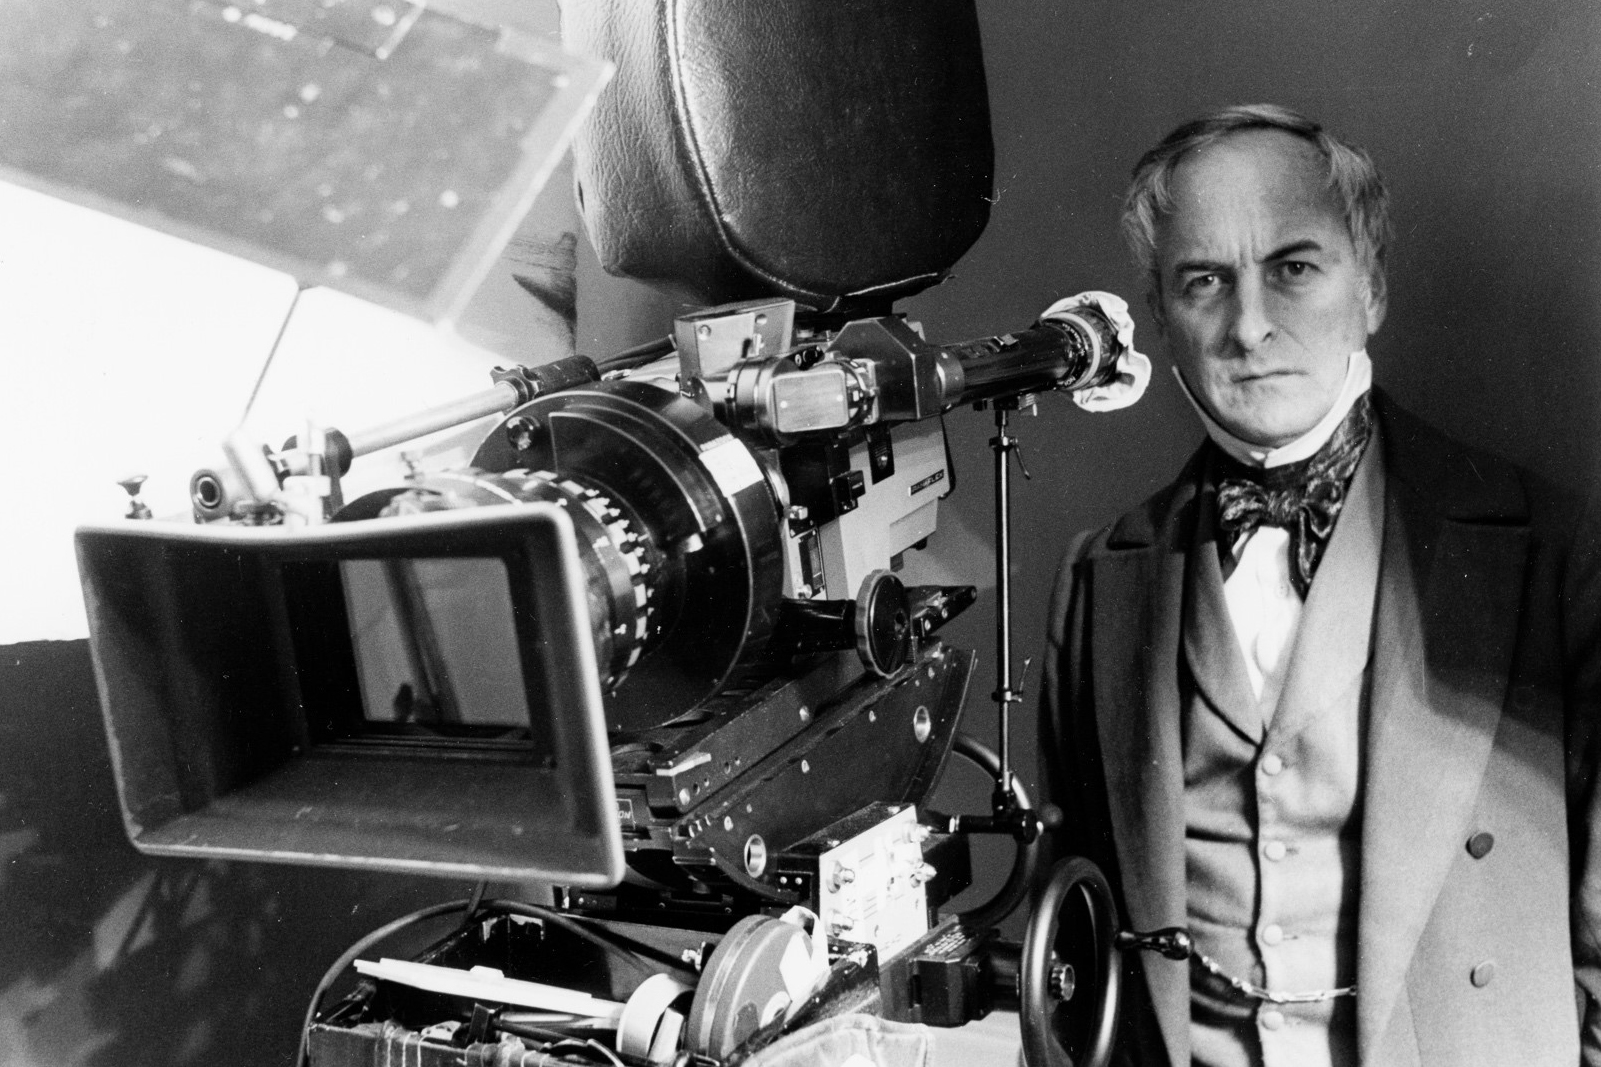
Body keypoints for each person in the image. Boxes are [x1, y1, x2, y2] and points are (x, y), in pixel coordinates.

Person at [1037, 103, 1601, 1066]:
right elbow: (1072, 928)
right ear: (1162, 314)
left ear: (1370, 287)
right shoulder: (1097, 579)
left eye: (1292, 268)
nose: (1249, 326)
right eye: (1203, 281)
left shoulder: (1547, 549)